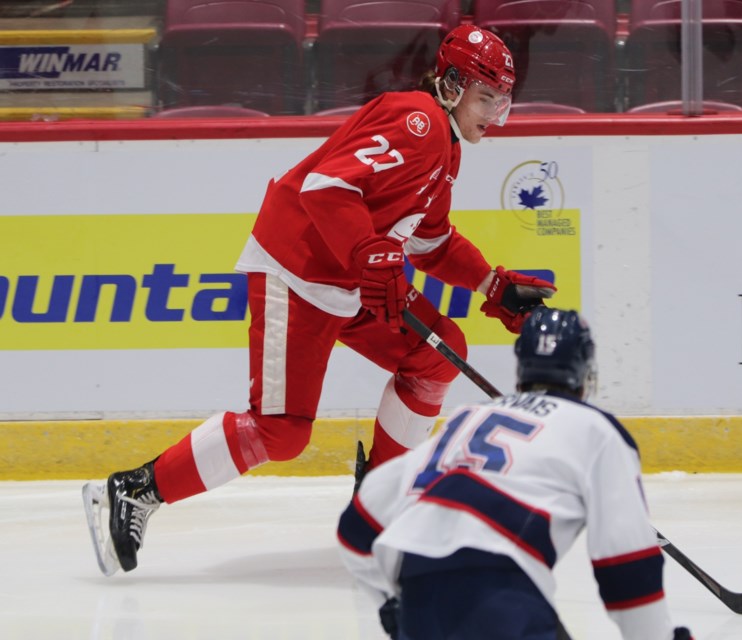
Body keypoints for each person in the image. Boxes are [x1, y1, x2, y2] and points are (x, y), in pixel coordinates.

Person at [81, 24, 556, 577]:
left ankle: (378, 501)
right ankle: (137, 490)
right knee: (280, 432)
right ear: (451, 84)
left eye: (503, 102)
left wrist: (491, 285)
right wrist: (370, 253)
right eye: (486, 98)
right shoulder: (418, 121)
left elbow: (430, 242)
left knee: (437, 348)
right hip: (299, 271)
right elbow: (326, 187)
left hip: (346, 280)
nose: (495, 115)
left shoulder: (445, 147)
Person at [336, 308, 694, 640]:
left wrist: (391, 605)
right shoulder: (597, 430)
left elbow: (355, 527)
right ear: (586, 373)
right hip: (503, 599)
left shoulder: (468, 419)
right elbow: (626, 568)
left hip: (420, 598)